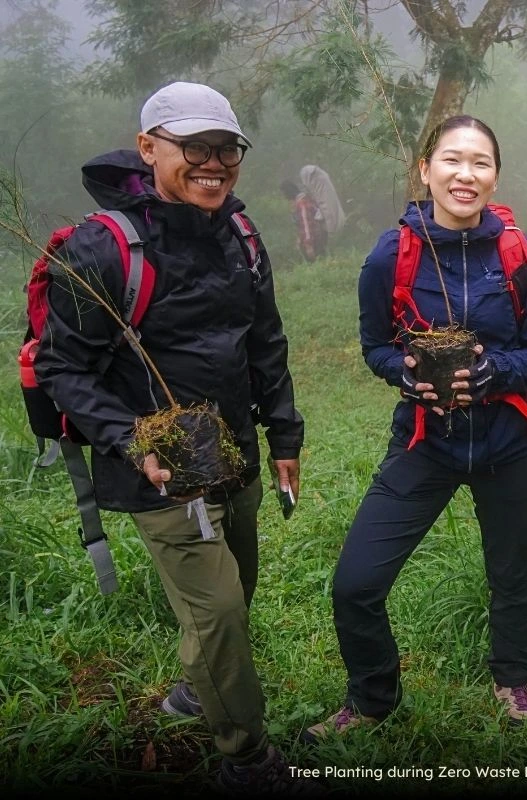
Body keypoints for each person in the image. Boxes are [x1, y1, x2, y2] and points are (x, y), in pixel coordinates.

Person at [34, 81, 313, 793]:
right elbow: (66, 368)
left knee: (233, 595)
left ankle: (196, 692)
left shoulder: (243, 237)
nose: (213, 162)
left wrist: (283, 434)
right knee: (218, 615)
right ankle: (248, 760)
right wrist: (133, 441)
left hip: (236, 455)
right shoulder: (104, 250)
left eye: (226, 148)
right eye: (194, 147)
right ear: (149, 147)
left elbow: (265, 343)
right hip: (159, 470)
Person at [305, 115, 527, 739]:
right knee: (355, 582)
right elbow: (375, 347)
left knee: (511, 570)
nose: (465, 174)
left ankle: (514, 678)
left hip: (510, 441)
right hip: (426, 442)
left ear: (495, 174)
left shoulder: (521, 254)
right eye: (452, 160)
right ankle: (372, 696)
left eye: (480, 162)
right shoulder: (392, 255)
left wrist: (494, 371)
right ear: (426, 169)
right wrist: (406, 372)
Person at [280, 177, 327, 261]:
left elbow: (306, 224)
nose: (284, 196)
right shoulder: (304, 199)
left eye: (284, 193)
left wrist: (308, 245)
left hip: (314, 240)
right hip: (317, 236)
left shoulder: (302, 203)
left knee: (316, 263)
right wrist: (300, 238)